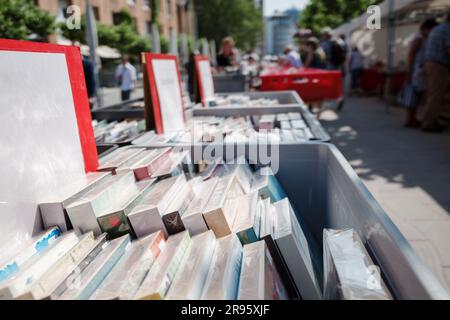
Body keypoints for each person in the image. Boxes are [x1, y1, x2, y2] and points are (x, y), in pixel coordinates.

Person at [403, 18, 438, 128]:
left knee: (417, 96)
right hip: (416, 71)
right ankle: (409, 119)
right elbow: (410, 56)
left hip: (420, 71)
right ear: (426, 29)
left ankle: (412, 118)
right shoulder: (418, 39)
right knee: (413, 96)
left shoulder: (425, 39)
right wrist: (409, 72)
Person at [421, 12, 450, 132]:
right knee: (436, 95)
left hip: (430, 64)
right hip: (438, 65)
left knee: (433, 94)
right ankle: (428, 123)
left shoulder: (438, 28)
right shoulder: (448, 30)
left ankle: (432, 120)